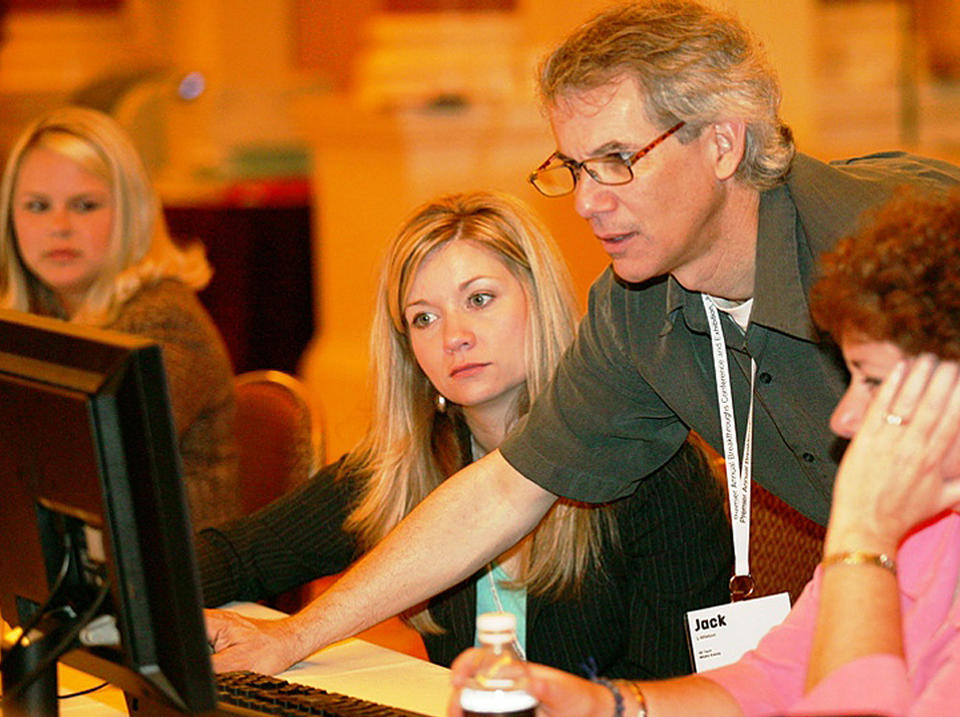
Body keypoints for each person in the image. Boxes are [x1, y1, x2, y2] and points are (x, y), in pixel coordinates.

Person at [207, 0, 960, 673]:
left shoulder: (903, 237)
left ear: (724, 144)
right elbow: (506, 487)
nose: (589, 203)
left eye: (617, 162)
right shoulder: (634, 311)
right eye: (575, 168)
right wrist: (294, 638)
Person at [446, 188, 960, 717]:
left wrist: (861, 540)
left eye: (871, 381)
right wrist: (604, 713)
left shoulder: (882, 529)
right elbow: (770, 685)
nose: (842, 418)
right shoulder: (928, 528)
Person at [203, 190, 731, 679]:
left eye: (479, 299)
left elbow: (672, 697)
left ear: (539, 301)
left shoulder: (651, 467)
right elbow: (236, 557)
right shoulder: (406, 466)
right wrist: (127, 599)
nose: (454, 337)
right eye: (424, 318)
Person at [0, 106, 239, 528]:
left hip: (189, 587)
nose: (59, 225)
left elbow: (71, 471)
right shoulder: (40, 317)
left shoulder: (162, 321)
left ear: (133, 212)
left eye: (85, 205)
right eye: (37, 206)